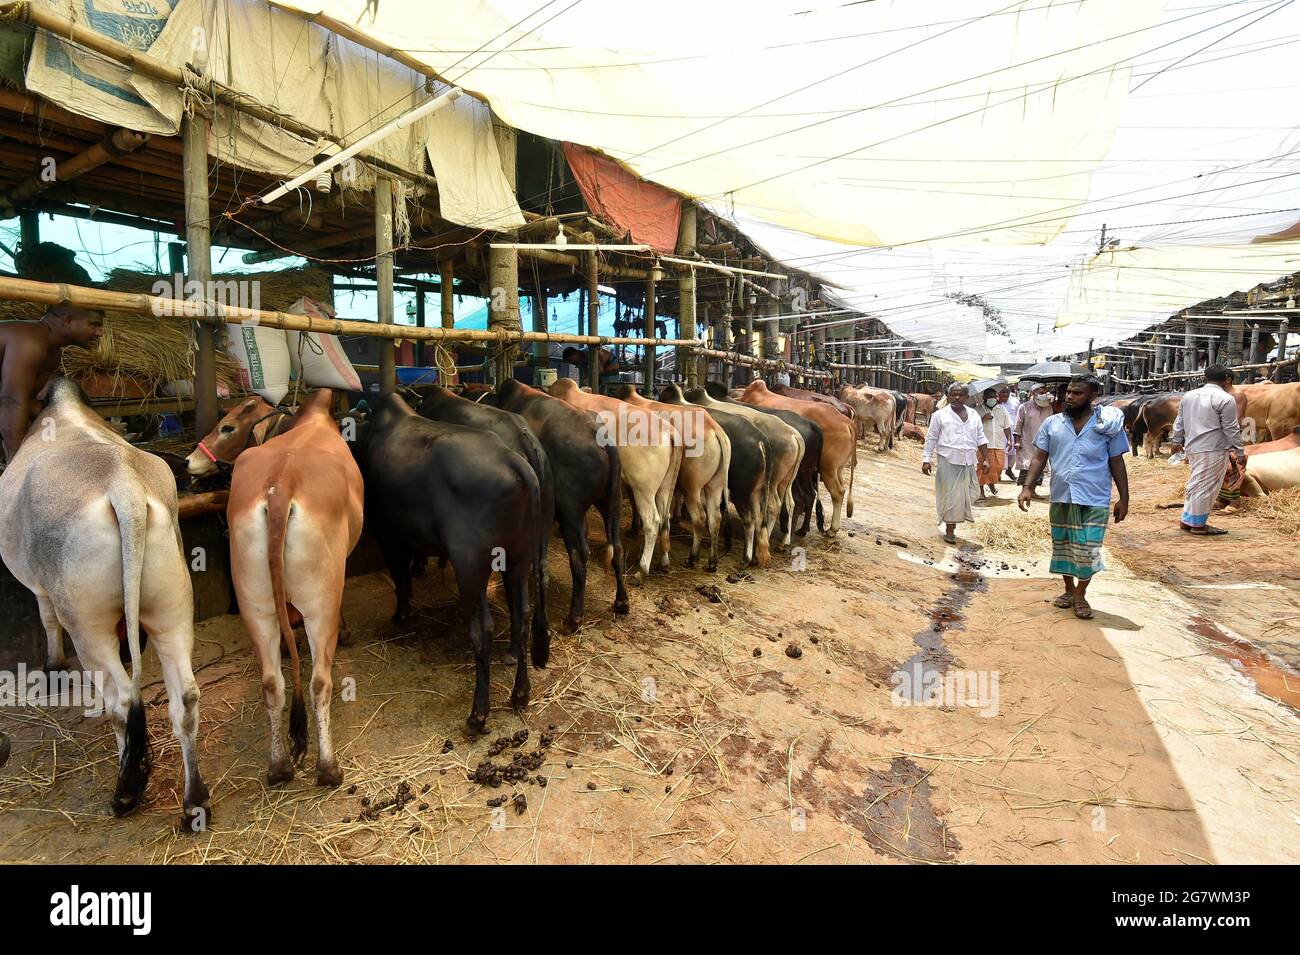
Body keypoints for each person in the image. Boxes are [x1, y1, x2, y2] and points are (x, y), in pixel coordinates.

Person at [1018, 374, 1129, 621]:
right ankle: (1069, 590)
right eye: (1068, 392)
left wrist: (1124, 498)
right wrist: (1027, 487)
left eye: (1077, 393)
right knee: (1063, 546)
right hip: (1061, 495)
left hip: (1094, 497)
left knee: (1089, 548)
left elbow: (1116, 461)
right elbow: (1039, 457)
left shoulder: (1106, 426)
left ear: (1092, 396)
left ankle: (1081, 594)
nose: (1069, 396)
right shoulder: (1053, 423)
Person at [1, 305, 104, 461]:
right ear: (68, 321)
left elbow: (26, 402)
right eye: (94, 324)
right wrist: (17, 463)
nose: (99, 333)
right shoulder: (29, 342)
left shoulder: (54, 354)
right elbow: (12, 402)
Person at [1169, 364, 1245, 536]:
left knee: (1196, 483)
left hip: (1193, 447)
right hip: (1213, 448)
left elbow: (1179, 421)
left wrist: (1176, 441)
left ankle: (1187, 520)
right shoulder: (1225, 399)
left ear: (1205, 377)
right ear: (1227, 379)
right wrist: (1240, 452)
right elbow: (1231, 428)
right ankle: (1198, 525)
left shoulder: (1189, 395)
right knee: (1206, 486)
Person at [922, 381, 990, 545]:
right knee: (951, 496)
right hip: (948, 460)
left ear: (967, 397)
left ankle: (958, 517)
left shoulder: (974, 415)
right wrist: (926, 459)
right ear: (949, 396)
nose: (957, 397)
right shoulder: (940, 415)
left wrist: (986, 458)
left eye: (961, 394)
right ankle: (950, 529)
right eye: (953, 394)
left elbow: (980, 438)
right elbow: (931, 438)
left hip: (968, 461)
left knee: (971, 493)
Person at [1014, 383, 1054, 497]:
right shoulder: (1024, 407)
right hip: (1027, 440)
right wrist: (1017, 441)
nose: (1043, 394)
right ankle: (1025, 489)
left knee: (1040, 465)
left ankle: (1033, 490)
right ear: (1033, 393)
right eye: (1040, 392)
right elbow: (1018, 425)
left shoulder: (1049, 407)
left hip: (1043, 441)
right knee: (1027, 465)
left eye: (1044, 392)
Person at [976, 386, 1012, 498]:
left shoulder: (1002, 410)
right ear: (984, 397)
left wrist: (1010, 440)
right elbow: (972, 426)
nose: (992, 399)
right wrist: (983, 418)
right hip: (983, 445)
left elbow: (1007, 426)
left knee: (998, 467)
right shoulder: (978, 410)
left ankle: (991, 483)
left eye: (993, 397)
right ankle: (981, 491)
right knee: (982, 468)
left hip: (998, 444)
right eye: (989, 397)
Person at [1000, 386, 1020, 481]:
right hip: (1000, 431)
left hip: (1013, 430)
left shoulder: (1015, 402)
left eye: (1006, 392)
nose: (1004, 394)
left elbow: (1019, 416)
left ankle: (1009, 469)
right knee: (1001, 452)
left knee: (1013, 452)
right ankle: (998, 473)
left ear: (1009, 393)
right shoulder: (997, 403)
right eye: (1002, 392)